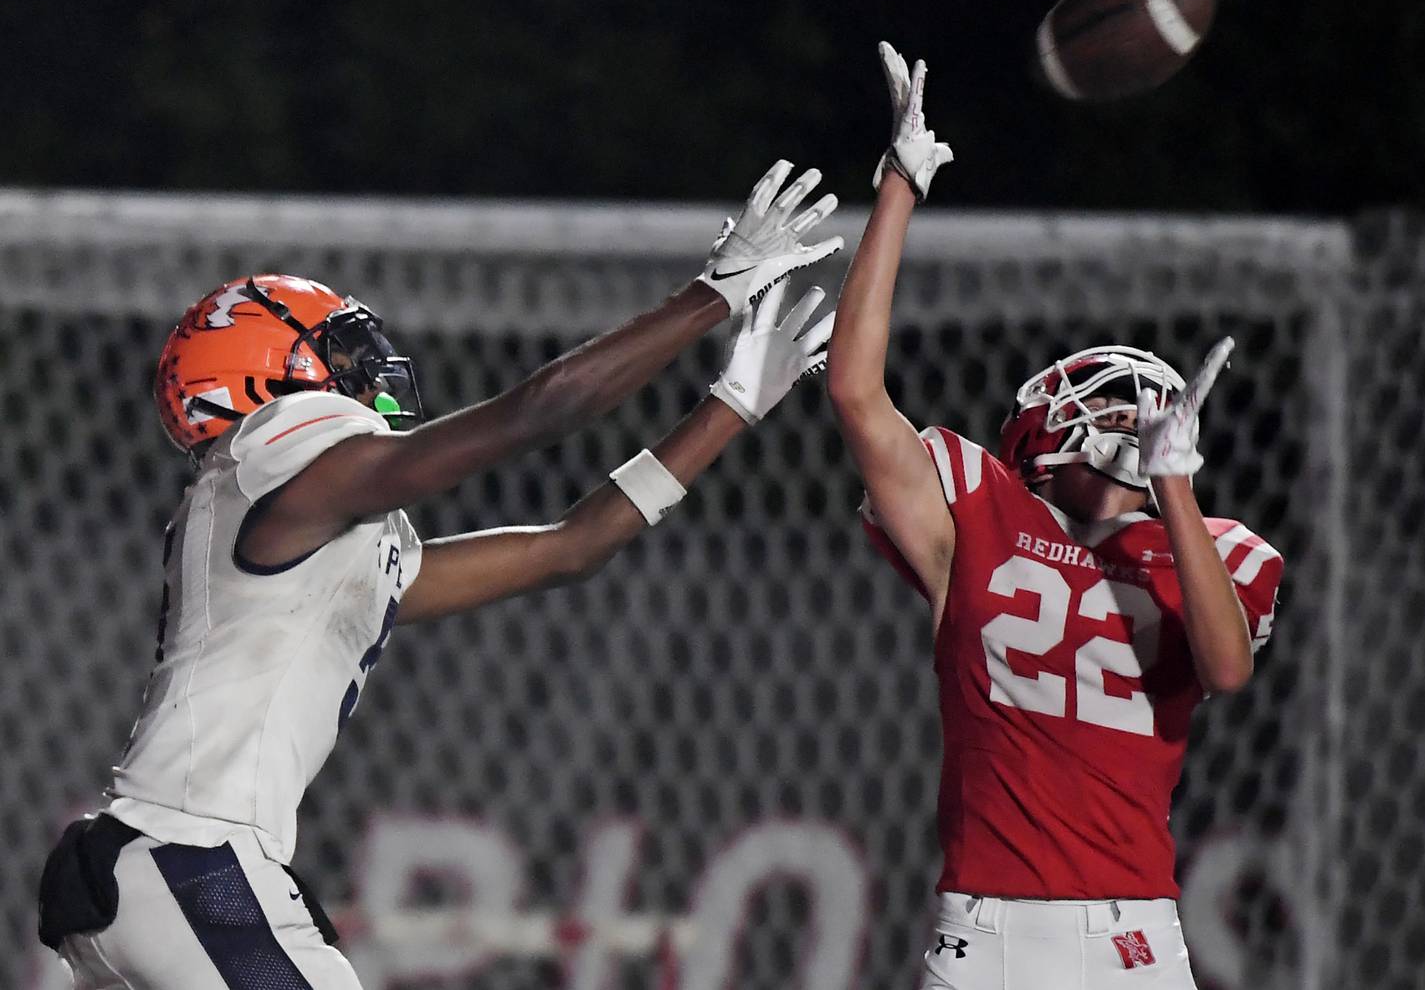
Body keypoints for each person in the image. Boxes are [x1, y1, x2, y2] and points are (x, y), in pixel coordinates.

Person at [36, 160, 840, 990]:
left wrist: (729, 407)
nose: (368, 369)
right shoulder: (274, 450)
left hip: (161, 869)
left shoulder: (304, 529)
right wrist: (714, 293)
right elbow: (536, 414)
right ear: (264, 377)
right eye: (341, 352)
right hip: (190, 857)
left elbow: (571, 546)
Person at [825, 44, 1284, 990]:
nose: (1127, 404)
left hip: (1137, 935)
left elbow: (1228, 668)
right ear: (1041, 437)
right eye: (1100, 396)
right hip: (987, 930)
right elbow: (857, 393)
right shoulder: (979, 512)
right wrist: (899, 187)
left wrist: (1176, 489)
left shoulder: (1209, 544)